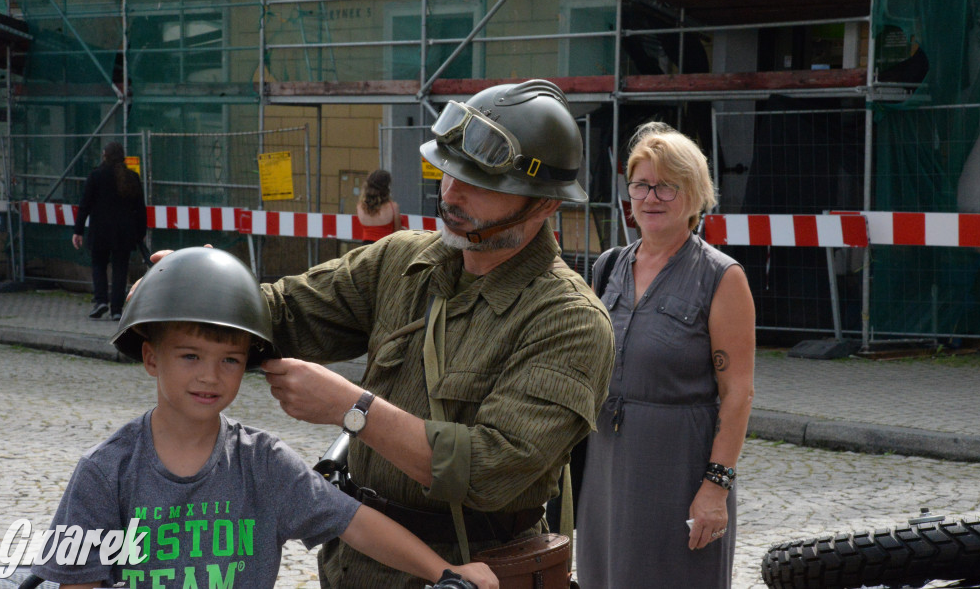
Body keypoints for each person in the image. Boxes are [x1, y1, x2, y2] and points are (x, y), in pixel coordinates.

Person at [255, 79, 615, 588]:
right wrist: (194, 294)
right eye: (448, 172)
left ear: (544, 205)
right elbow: (286, 312)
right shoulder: (404, 260)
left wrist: (354, 410)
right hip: (356, 564)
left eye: (481, 184)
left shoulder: (569, 320)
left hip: (466, 574)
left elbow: (490, 468)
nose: (451, 193)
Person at [31, 247, 497, 589]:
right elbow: (79, 583)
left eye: (230, 360)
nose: (210, 375)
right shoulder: (106, 471)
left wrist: (445, 571)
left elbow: (355, 522)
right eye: (190, 356)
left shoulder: (264, 464)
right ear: (151, 358)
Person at [576, 122, 756, 588]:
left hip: (678, 468)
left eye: (666, 187)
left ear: (694, 195)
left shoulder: (721, 277)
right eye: (641, 185)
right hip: (608, 467)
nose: (650, 197)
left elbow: (738, 393)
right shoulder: (608, 266)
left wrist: (715, 488)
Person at [72, 140, 147, 321]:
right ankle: (117, 309)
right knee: (120, 268)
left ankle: (101, 301)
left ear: (104, 156)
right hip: (124, 232)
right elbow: (140, 208)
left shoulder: (96, 176)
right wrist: (140, 232)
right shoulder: (131, 177)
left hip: (100, 230)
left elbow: (85, 205)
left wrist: (78, 230)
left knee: (98, 265)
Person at [357, 168, 402, 244]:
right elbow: (397, 234)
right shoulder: (393, 207)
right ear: (386, 187)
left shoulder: (360, 206)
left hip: (366, 248)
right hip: (385, 247)